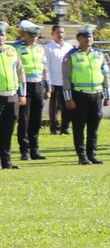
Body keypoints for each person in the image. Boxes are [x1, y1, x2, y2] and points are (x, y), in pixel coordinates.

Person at [62, 26, 110, 165]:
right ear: (79, 38)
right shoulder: (71, 55)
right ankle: (82, 155)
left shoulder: (99, 54)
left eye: (90, 37)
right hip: (79, 94)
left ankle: (92, 153)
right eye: (85, 37)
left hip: (96, 94)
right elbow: (66, 78)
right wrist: (68, 98)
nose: (89, 39)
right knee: (79, 126)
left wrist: (108, 95)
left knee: (94, 126)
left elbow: (106, 74)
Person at [14, 21, 48, 161]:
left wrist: (47, 86)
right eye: (31, 35)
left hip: (38, 85)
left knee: (36, 118)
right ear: (24, 34)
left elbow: (44, 68)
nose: (34, 38)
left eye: (36, 35)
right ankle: (25, 150)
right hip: (24, 86)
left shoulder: (40, 48)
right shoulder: (16, 48)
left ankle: (35, 149)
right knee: (24, 119)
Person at [0, 20, 20, 169]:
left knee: (8, 130)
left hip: (12, 95)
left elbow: (20, 71)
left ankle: (6, 161)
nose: (0, 37)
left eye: (2, 34)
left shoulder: (12, 51)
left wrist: (22, 93)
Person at [45, 22, 70, 135]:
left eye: (62, 32)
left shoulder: (69, 47)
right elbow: (47, 66)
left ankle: (65, 128)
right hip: (54, 82)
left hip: (66, 82)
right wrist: (49, 83)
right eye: (58, 32)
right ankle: (54, 128)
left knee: (67, 106)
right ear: (52, 34)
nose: (60, 35)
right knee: (54, 107)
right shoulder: (48, 48)